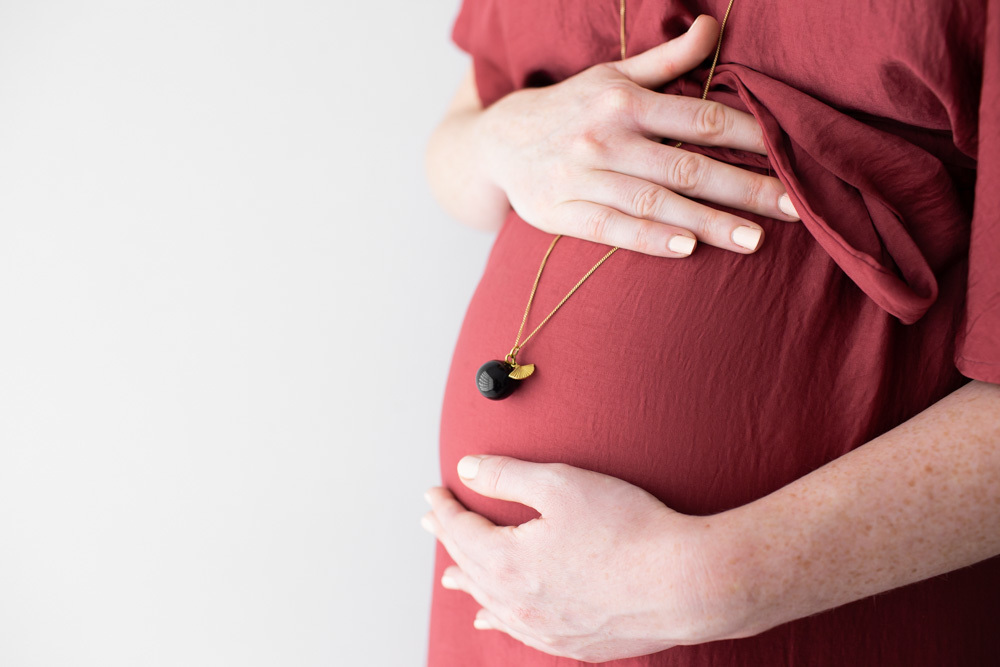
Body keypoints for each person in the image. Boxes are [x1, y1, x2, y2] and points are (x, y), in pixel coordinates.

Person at [422, 1, 1000, 665]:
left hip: (811, 622)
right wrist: (493, 141)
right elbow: (459, 142)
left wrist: (716, 581)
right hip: (502, 619)